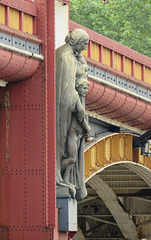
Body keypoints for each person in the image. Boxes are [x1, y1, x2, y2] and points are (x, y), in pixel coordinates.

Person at [56, 29, 89, 200]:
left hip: (70, 111)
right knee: (68, 154)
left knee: (72, 156)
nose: (84, 48)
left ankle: (65, 179)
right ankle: (59, 178)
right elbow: (66, 91)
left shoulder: (72, 56)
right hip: (65, 113)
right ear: (76, 40)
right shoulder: (65, 58)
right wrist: (79, 108)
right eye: (84, 44)